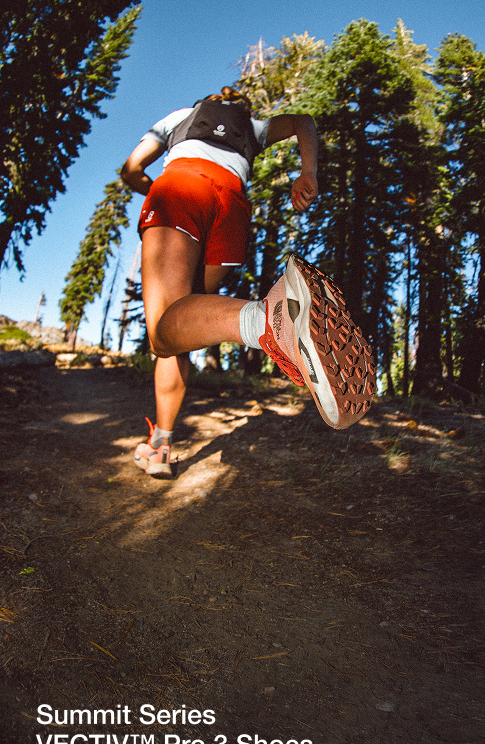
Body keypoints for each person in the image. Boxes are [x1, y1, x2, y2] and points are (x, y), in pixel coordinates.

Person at [121, 87, 376, 477]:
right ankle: (161, 443)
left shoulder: (178, 117)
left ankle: (268, 321)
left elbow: (132, 167)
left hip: (180, 188)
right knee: (184, 326)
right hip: (232, 208)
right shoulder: (252, 128)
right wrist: (308, 173)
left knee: (162, 333)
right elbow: (303, 121)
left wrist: (150, 188)